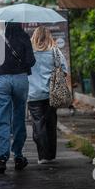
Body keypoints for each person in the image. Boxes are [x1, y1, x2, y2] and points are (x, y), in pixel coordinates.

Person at [0, 22, 36, 174]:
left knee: (1, 119)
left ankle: (1, 158)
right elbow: (31, 61)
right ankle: (18, 156)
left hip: (1, 80)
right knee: (19, 117)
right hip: (20, 79)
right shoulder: (24, 37)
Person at [28, 26, 68, 164]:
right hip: (52, 95)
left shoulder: (29, 53)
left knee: (38, 125)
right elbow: (64, 71)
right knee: (51, 124)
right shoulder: (55, 52)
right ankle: (51, 155)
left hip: (33, 95)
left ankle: (43, 156)